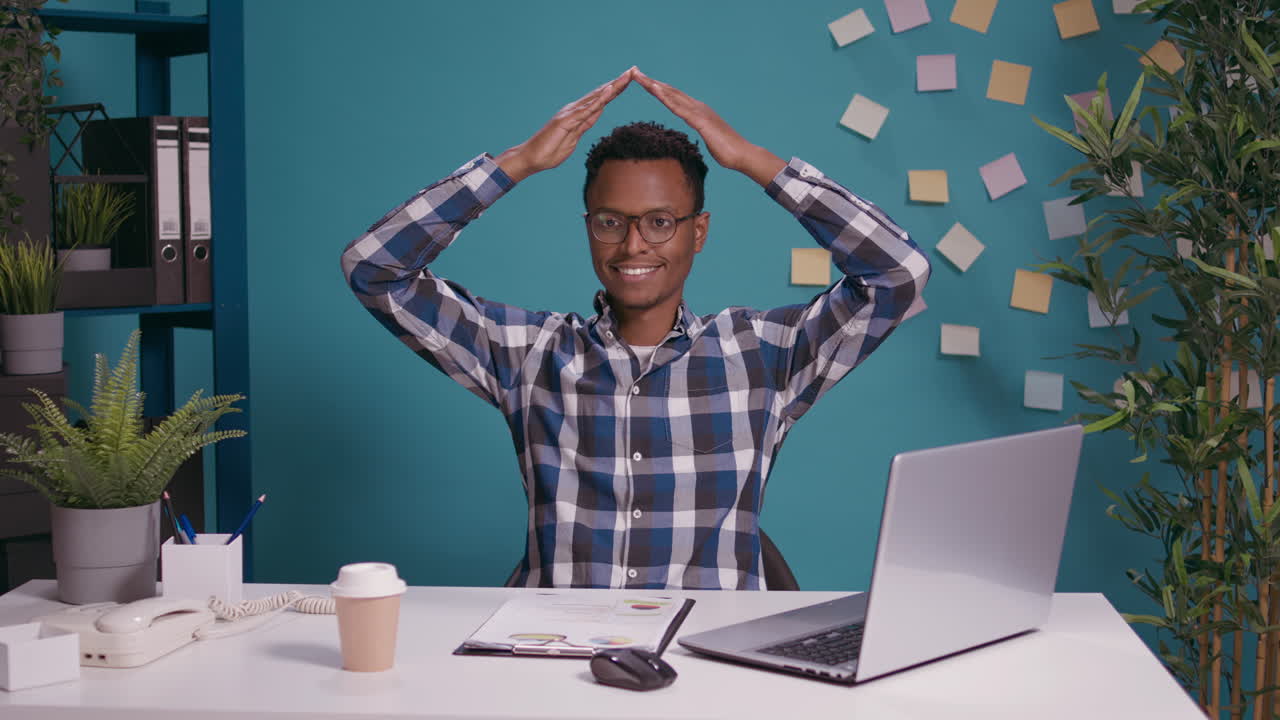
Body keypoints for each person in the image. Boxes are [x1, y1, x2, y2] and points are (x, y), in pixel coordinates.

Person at [341, 67, 930, 590]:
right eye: (610, 221)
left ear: (697, 233)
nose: (633, 244)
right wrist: (516, 164)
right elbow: (374, 269)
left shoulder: (764, 355)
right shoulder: (528, 353)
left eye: (659, 222)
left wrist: (753, 161)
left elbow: (897, 274)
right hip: (554, 658)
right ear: (588, 227)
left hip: (712, 665)